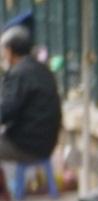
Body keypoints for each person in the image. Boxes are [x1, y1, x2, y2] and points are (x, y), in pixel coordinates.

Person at [0, 25, 61, 164]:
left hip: (26, 146)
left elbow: (6, 111)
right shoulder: (42, 69)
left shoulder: (18, 73)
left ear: (10, 51)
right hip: (46, 145)